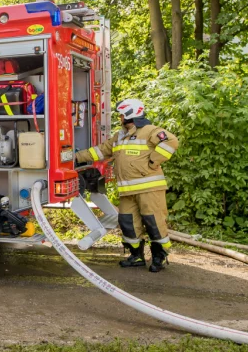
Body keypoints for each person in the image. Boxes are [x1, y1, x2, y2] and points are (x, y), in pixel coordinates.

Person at [75, 98, 179, 272]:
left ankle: (159, 257)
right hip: (127, 191)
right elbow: (100, 151)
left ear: (130, 114)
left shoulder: (149, 131)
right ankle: (136, 256)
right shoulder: (120, 136)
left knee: (154, 223)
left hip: (149, 188)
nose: (120, 118)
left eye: (122, 114)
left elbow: (171, 141)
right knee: (128, 223)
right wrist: (75, 157)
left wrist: (153, 161)